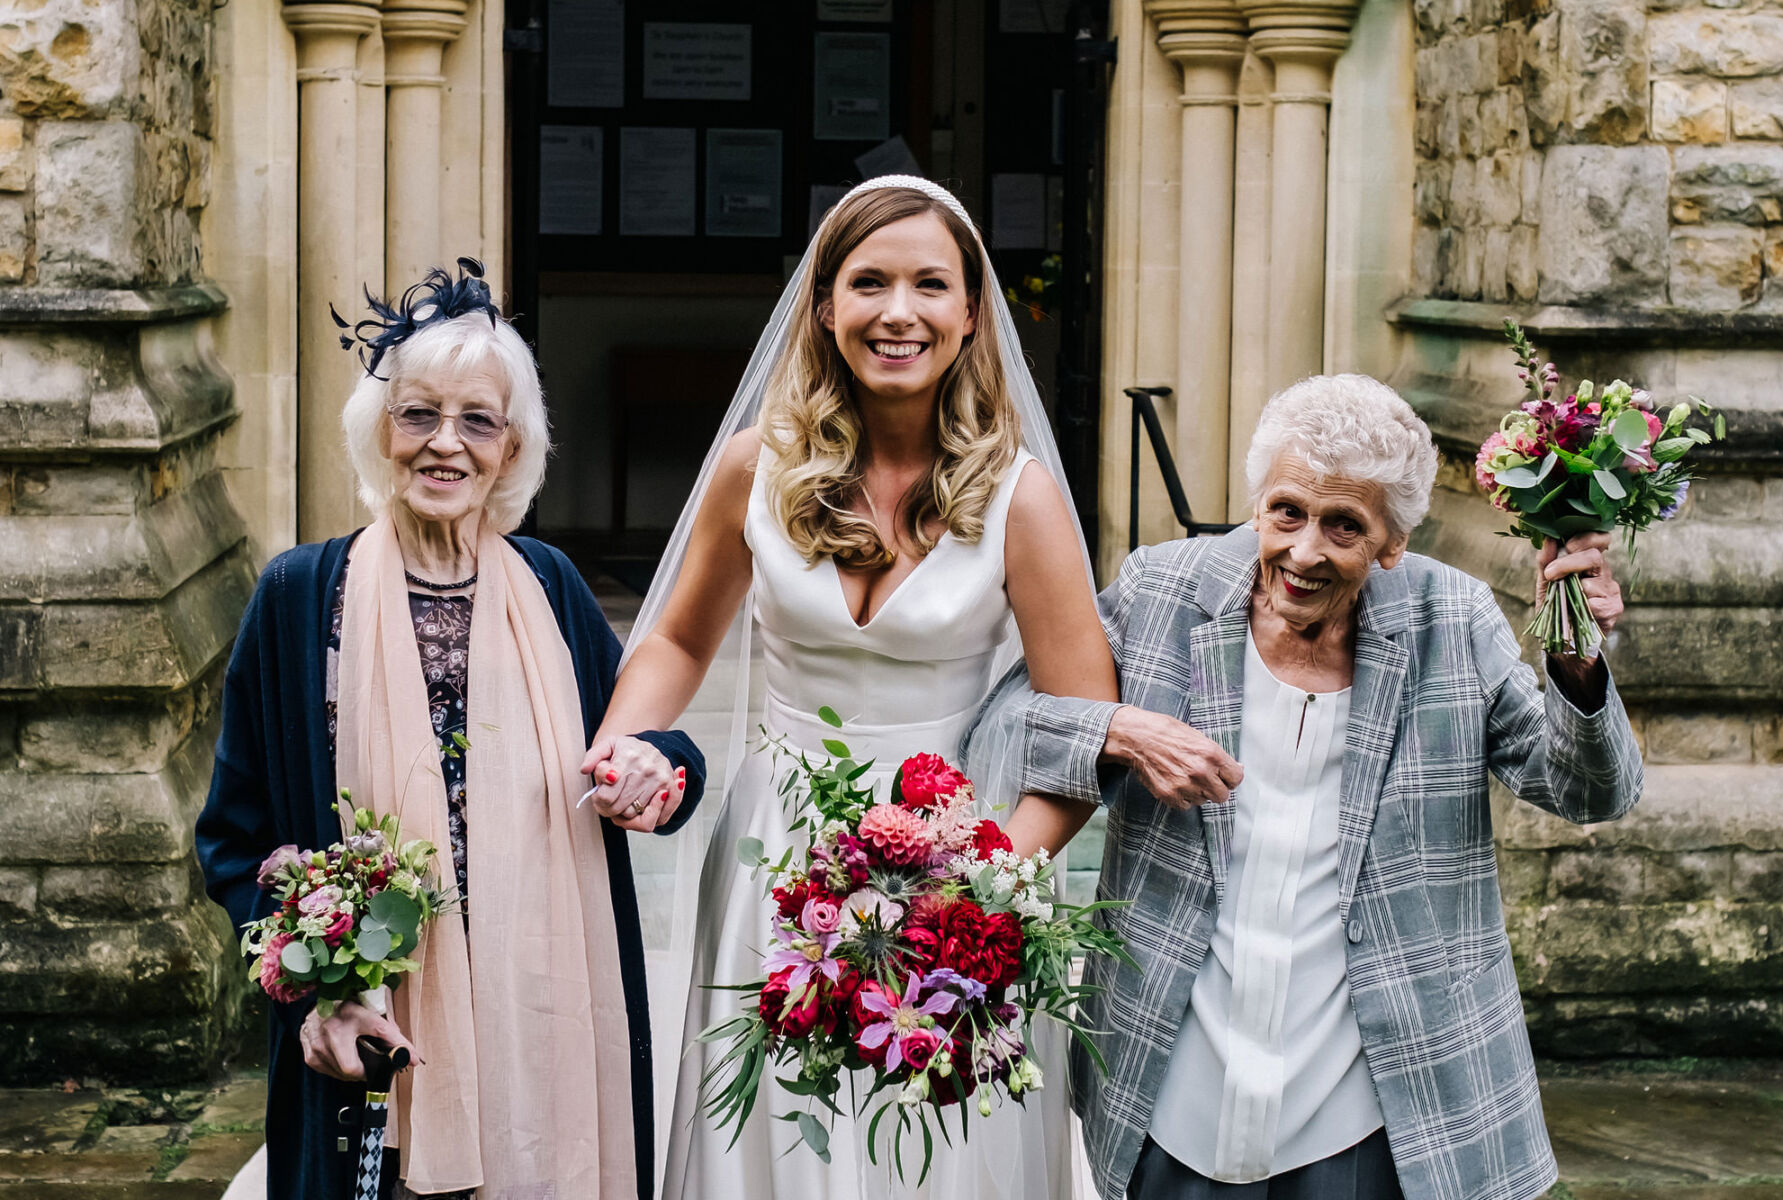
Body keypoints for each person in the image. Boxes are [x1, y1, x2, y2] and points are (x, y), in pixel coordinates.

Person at [976, 374, 1645, 1200]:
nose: (1303, 551)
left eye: (1344, 527)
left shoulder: (1453, 618)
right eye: (1287, 512)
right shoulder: (1161, 592)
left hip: (1366, 1100)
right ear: (1258, 501)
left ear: (1392, 542)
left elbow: (1588, 794)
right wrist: (1122, 730)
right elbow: (1005, 725)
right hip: (1173, 1079)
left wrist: (1577, 664)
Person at [584, 176, 1118, 1200]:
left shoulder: (1022, 497)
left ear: (970, 314)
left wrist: (987, 886)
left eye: (930, 284)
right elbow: (678, 641)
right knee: (778, 1136)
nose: (898, 312)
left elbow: (1077, 738)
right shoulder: (757, 470)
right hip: (778, 855)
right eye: (869, 282)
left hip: (964, 863)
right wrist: (624, 743)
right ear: (824, 307)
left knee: (939, 1156)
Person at [194, 260, 707, 1200]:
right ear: (379, 432)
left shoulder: (552, 588)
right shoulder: (301, 596)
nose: (446, 445)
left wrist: (657, 772)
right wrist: (315, 985)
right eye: (418, 414)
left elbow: (660, 753)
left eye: (478, 420)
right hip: (374, 1034)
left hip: (541, 1018)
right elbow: (234, 836)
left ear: (512, 451)